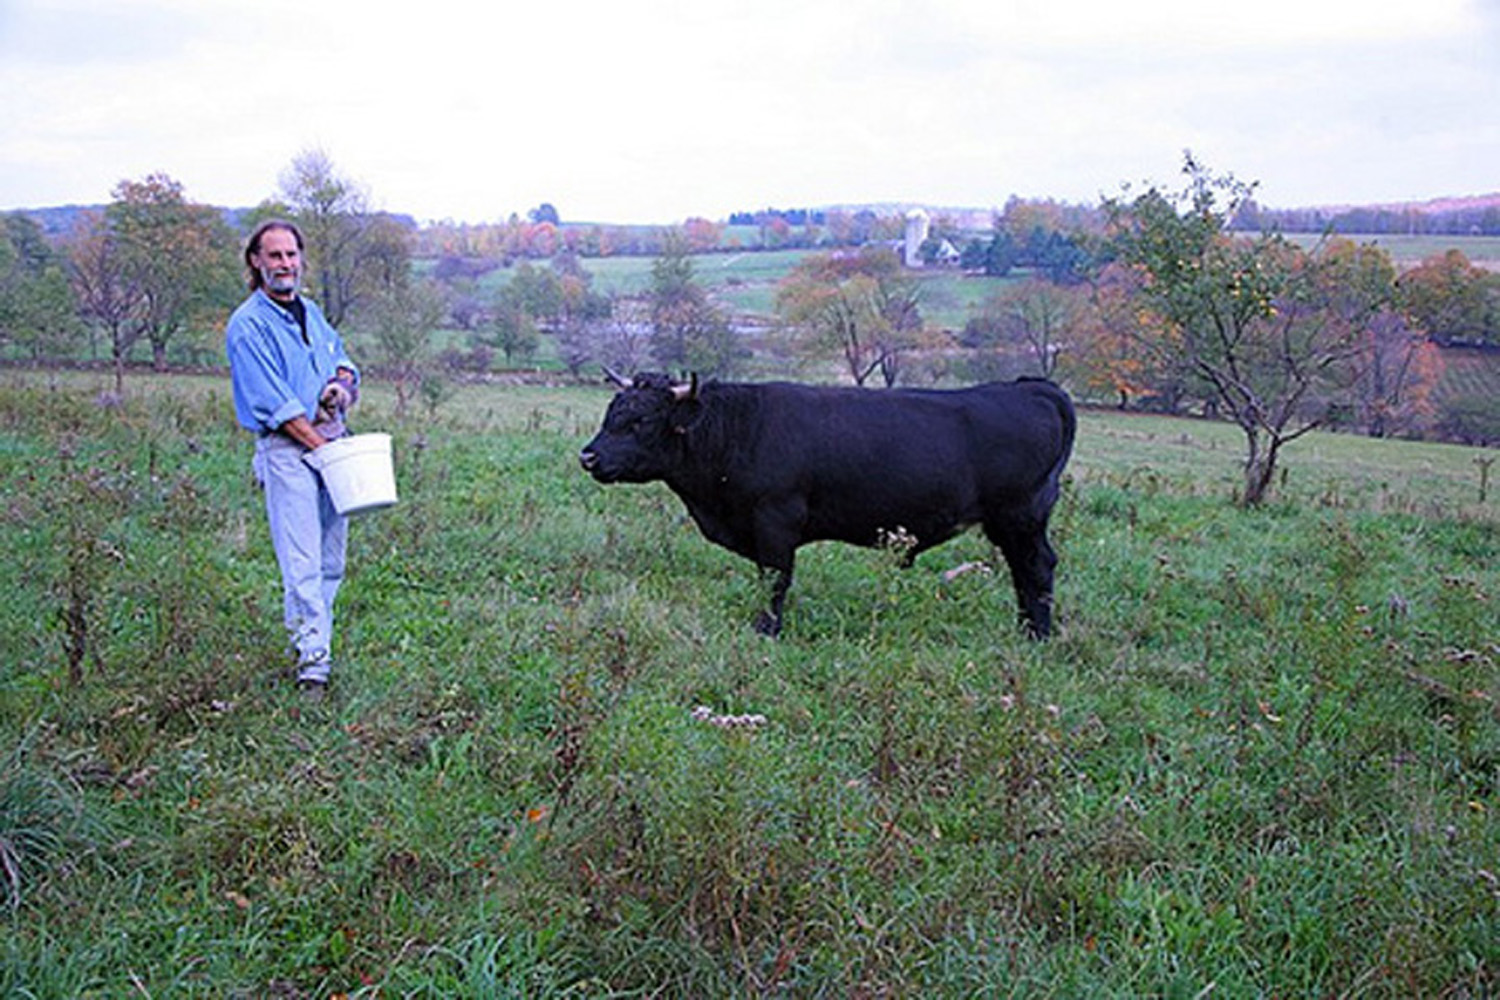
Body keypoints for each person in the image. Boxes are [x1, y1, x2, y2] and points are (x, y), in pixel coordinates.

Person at [226, 219, 360, 695]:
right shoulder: (248, 325)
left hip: (329, 443)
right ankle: (313, 666)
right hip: (291, 451)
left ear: (301, 259)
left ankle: (313, 642)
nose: (285, 265)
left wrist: (340, 389)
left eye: (291, 255)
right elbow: (276, 407)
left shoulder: (312, 313)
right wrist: (323, 448)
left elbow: (344, 361)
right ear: (256, 262)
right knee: (301, 558)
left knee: (332, 557)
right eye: (274, 256)